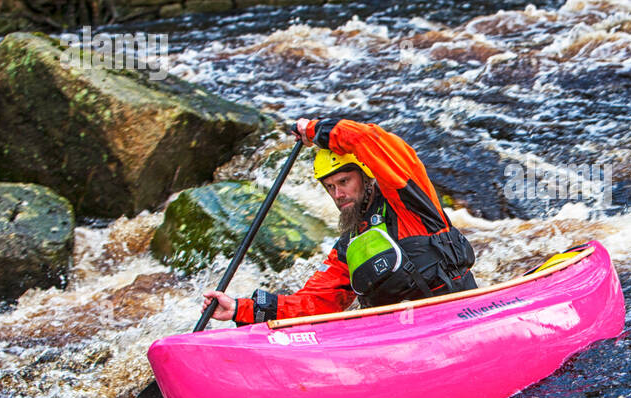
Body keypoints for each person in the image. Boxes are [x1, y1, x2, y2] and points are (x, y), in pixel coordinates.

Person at [202, 116, 477, 323]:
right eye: (330, 186)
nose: (338, 193)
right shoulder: (351, 245)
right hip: (400, 335)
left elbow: (368, 140)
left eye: (344, 181)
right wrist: (241, 308)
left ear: (366, 174)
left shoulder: (409, 201)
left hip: (455, 317)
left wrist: (314, 131)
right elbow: (314, 303)